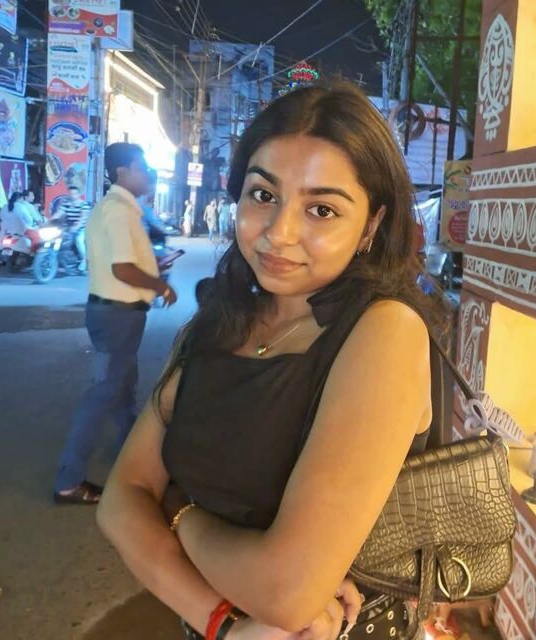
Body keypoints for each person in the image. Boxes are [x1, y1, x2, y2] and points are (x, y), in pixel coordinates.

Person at [97, 84, 447, 640]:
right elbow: (119, 501)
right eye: (263, 195)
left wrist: (179, 511)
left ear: (372, 226)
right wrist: (223, 622)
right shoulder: (225, 319)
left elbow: (285, 594)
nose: (279, 233)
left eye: (322, 209)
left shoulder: (385, 332)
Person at [53, 142, 178, 505]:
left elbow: (122, 262)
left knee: (122, 390)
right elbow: (122, 268)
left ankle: (135, 455)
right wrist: (161, 285)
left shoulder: (116, 208)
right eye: (142, 167)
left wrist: (154, 265)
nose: (147, 174)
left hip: (118, 314)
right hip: (117, 317)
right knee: (103, 393)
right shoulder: (119, 212)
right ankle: (68, 482)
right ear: (122, 171)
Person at [53, 185, 90, 272]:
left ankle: (84, 260)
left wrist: (76, 226)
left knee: (79, 240)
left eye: (74, 194)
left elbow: (83, 218)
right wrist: (50, 221)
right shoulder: (66, 204)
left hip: (82, 228)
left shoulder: (84, 205)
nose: (72, 195)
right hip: (68, 228)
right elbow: (58, 214)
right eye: (71, 194)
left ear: (79, 194)